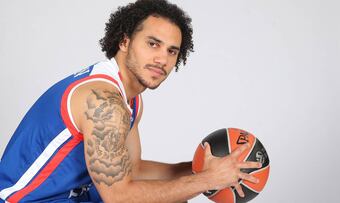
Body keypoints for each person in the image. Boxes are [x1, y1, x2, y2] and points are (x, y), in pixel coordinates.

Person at [0, 0, 262, 202]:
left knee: (168, 197)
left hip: (70, 197)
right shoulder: (104, 102)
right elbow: (120, 197)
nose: (163, 59)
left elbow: (132, 171)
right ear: (124, 42)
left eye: (172, 51)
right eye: (153, 44)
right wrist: (207, 180)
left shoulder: (130, 100)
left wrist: (198, 170)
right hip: (26, 199)